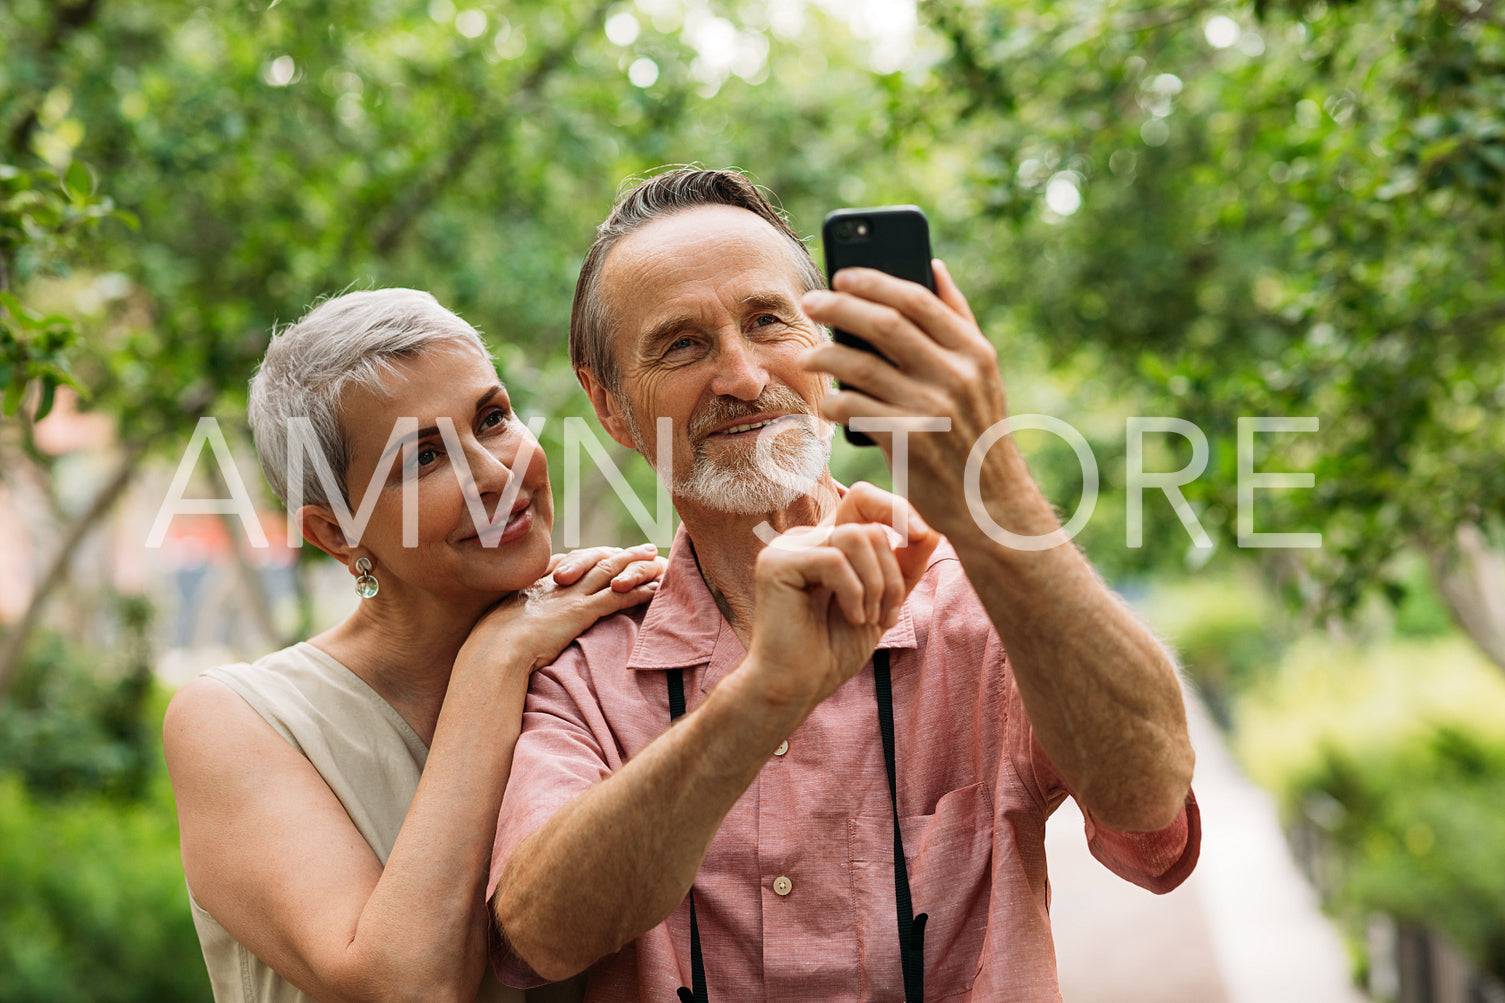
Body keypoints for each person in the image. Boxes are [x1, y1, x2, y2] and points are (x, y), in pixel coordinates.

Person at [488, 169, 1200, 1002]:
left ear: (830, 351)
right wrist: (763, 696)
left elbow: (1151, 818)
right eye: (682, 344)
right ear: (611, 408)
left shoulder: (981, 604)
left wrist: (987, 481)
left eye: (767, 322)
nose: (744, 377)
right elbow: (542, 934)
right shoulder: (583, 664)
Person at [162, 288, 666, 1003]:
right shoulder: (238, 719)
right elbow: (407, 983)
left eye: (492, 418)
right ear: (337, 533)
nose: (495, 475)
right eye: (424, 458)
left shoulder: (596, 642)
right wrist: (493, 663)